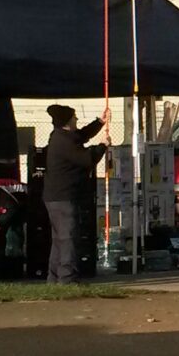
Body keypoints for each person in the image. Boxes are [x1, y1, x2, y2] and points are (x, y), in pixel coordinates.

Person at [41, 104, 105, 283]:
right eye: (74, 117)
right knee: (68, 238)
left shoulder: (59, 136)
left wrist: (99, 123)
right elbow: (87, 159)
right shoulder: (64, 142)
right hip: (64, 197)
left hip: (54, 197)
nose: (76, 119)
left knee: (59, 239)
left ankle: (54, 277)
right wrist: (102, 147)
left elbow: (81, 136)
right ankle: (67, 278)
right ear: (67, 121)